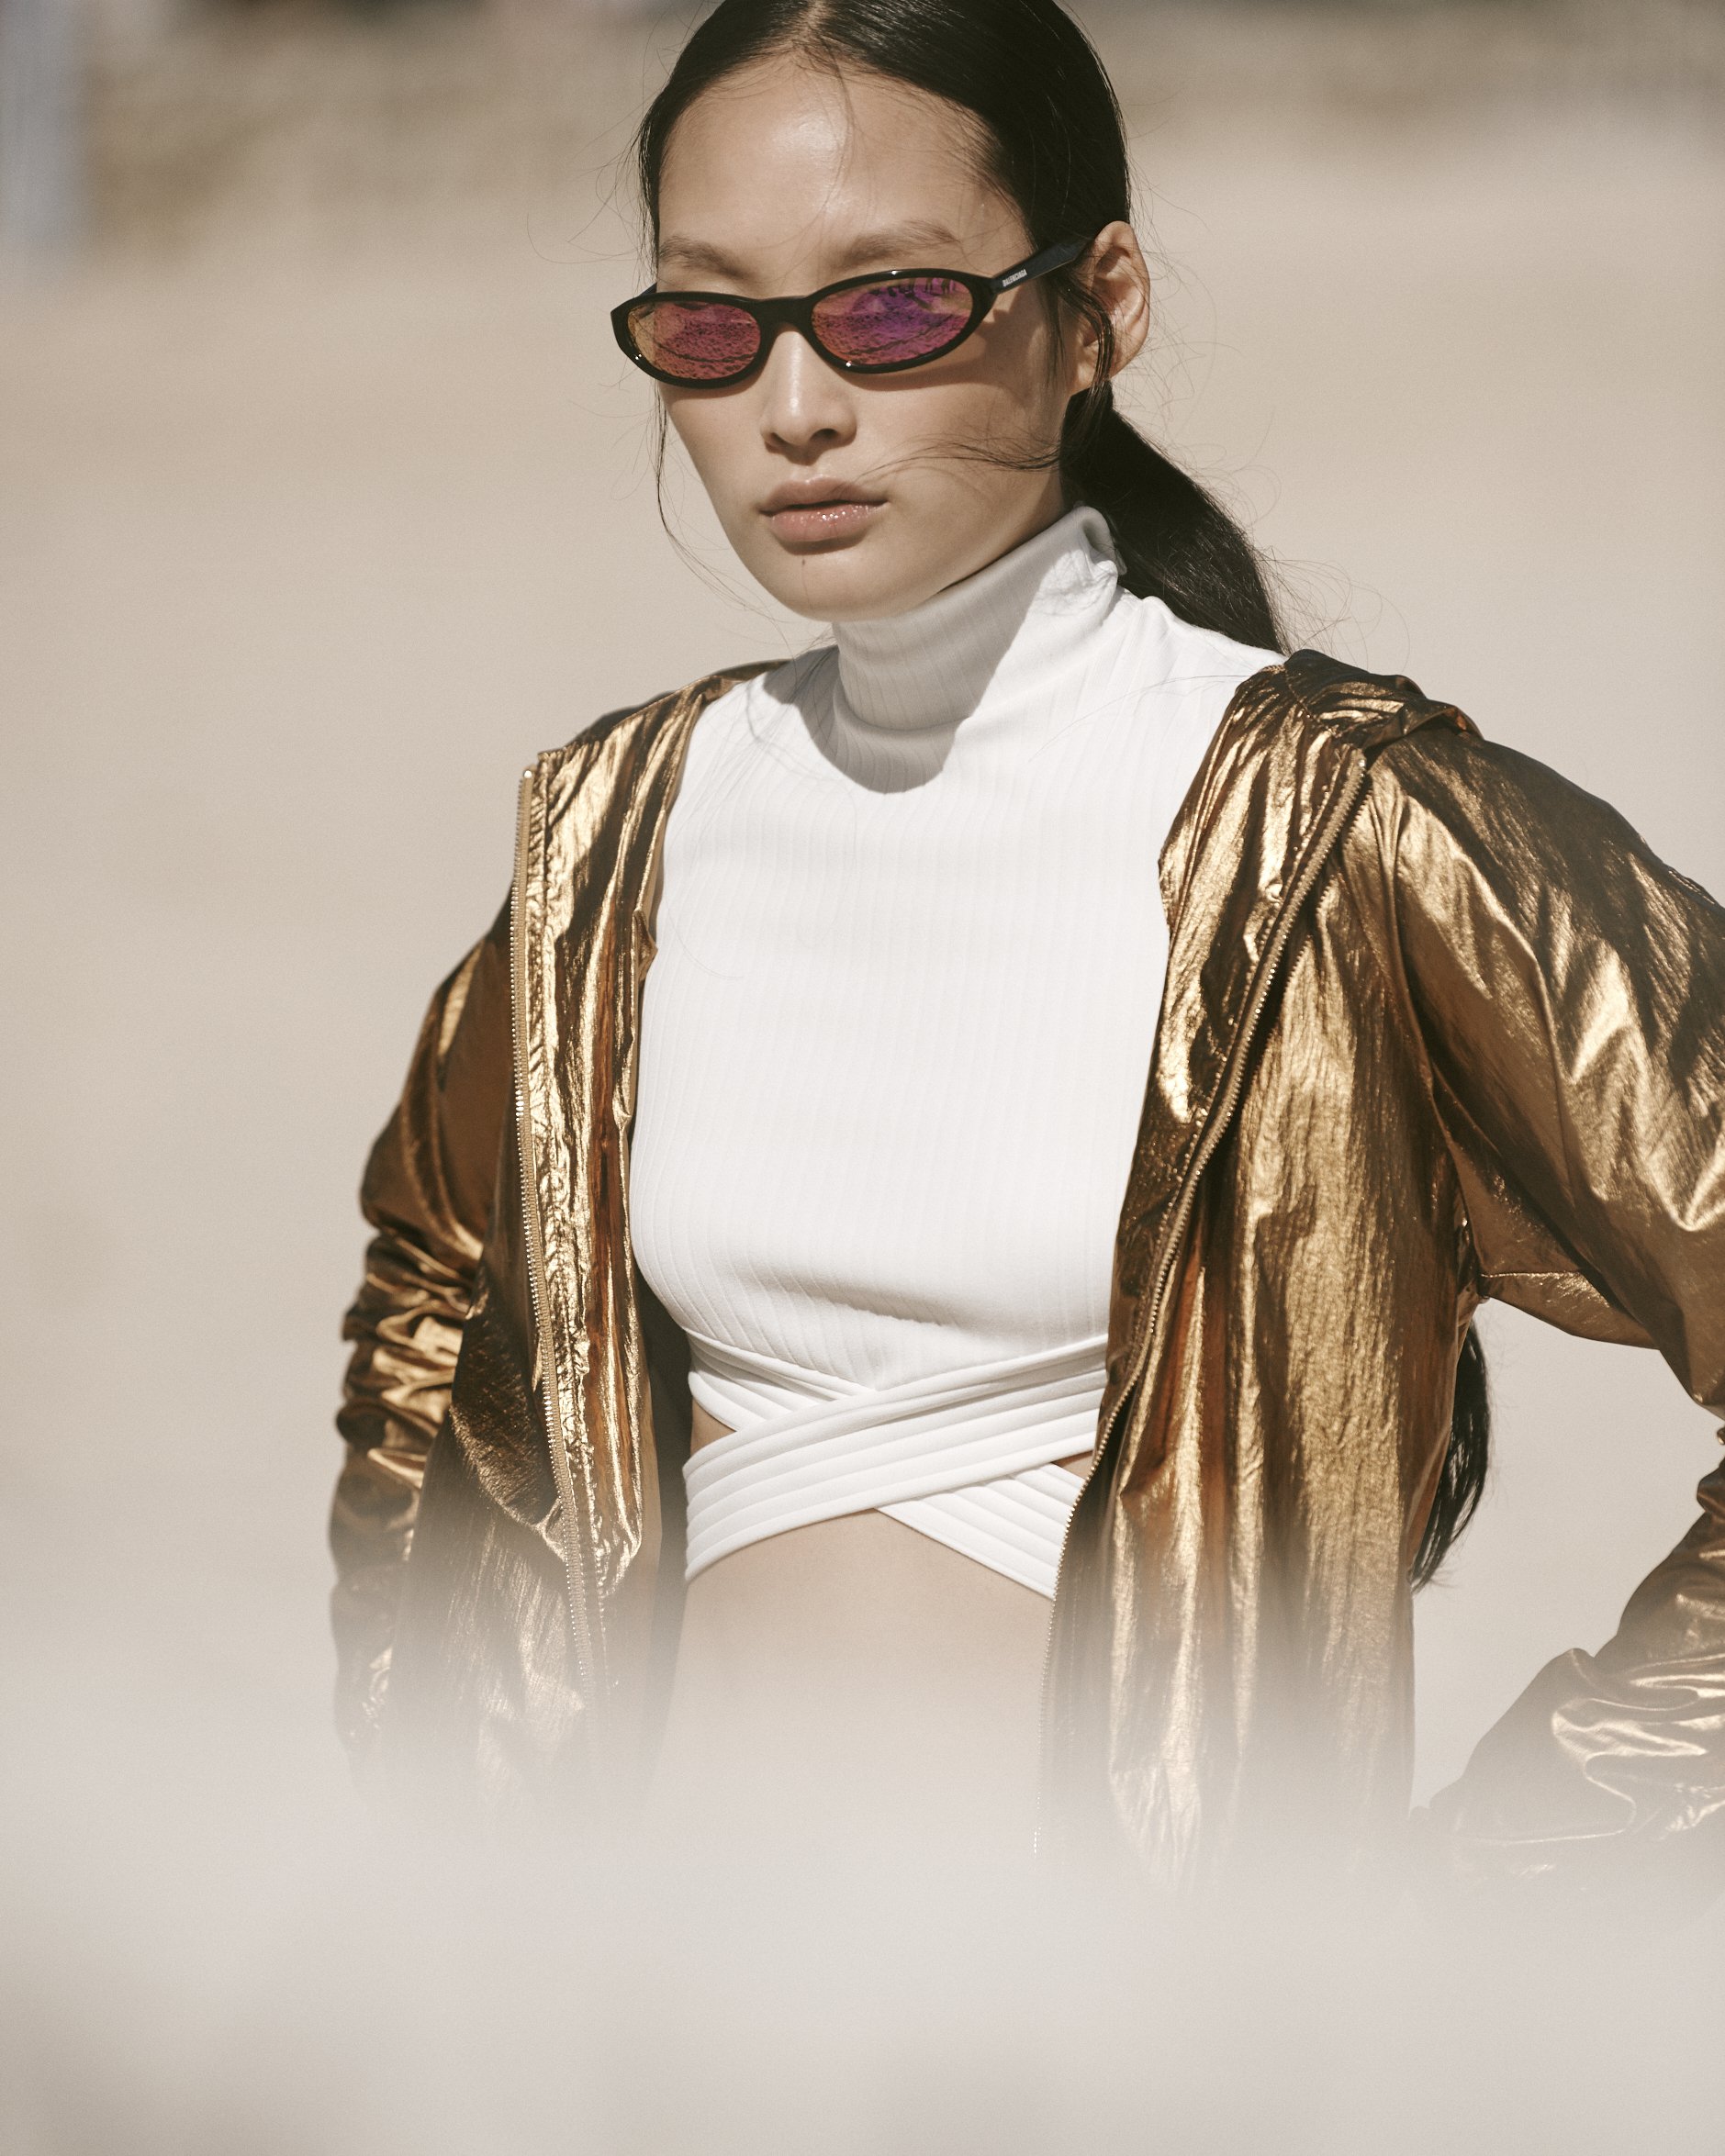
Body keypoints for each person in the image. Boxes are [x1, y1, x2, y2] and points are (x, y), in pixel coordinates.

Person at [330, 0, 1725, 1896]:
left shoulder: (1347, 829)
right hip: (639, 2006)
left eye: (895, 306)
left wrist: (1516, 1871)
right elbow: (435, 1295)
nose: (795, 406)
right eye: (710, 324)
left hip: (1141, 2048)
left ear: (1102, 308)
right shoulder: (617, 835)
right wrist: (433, 1821)